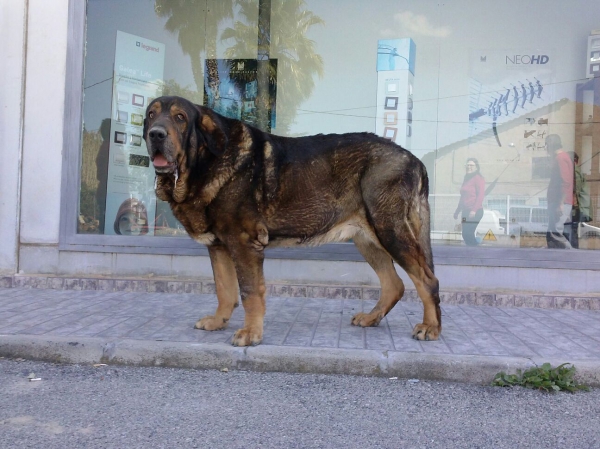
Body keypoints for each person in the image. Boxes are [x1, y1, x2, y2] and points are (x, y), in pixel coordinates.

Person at [545, 134, 573, 249]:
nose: (546, 148)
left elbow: (565, 181)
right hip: (558, 201)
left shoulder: (560, 158)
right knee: (552, 233)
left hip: (559, 201)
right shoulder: (561, 157)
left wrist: (560, 203)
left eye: (546, 144)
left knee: (556, 233)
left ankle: (570, 257)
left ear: (551, 144)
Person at [454, 158, 485, 246]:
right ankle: (471, 252)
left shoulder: (478, 178)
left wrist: (474, 210)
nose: (469, 167)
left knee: (468, 233)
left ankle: (476, 251)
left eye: (471, 165)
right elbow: (462, 197)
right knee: (464, 234)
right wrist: (457, 211)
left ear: (476, 167)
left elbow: (480, 195)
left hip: (475, 211)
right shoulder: (466, 178)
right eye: (467, 165)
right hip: (465, 211)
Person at [567, 152, 592, 248]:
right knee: (572, 229)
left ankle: (572, 249)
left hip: (575, 207)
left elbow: (575, 190)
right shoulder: (576, 171)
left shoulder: (575, 172)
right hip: (576, 206)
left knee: (571, 230)